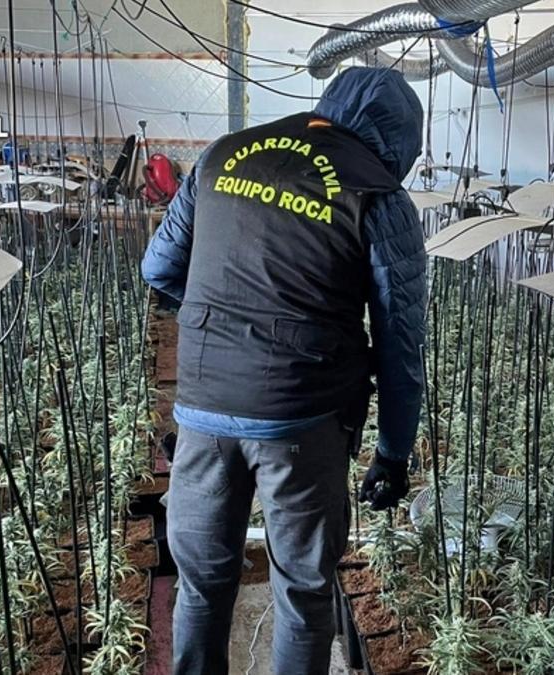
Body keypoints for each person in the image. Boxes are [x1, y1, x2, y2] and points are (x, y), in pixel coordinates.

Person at [141, 67, 428, 674]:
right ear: (397, 141)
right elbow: (400, 340)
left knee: (201, 583)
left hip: (202, 408)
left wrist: (222, 321)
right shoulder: (376, 193)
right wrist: (394, 452)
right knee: (300, 589)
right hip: (302, 417)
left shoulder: (223, 155)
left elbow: (159, 269)